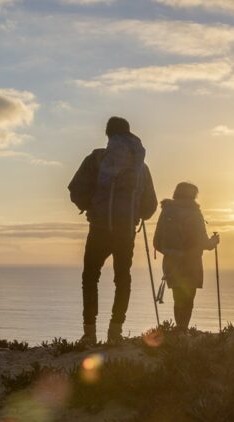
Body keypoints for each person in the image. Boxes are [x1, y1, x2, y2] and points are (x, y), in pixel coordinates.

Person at [68, 117, 157, 345]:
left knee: (90, 277)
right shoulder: (141, 168)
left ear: (108, 134)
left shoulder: (97, 158)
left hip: (99, 228)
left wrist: (90, 207)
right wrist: (136, 213)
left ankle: (89, 333)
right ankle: (115, 333)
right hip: (125, 230)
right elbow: (151, 206)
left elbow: (75, 189)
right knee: (122, 279)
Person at [152, 182, 219, 332]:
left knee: (178, 298)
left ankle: (179, 329)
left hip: (172, 264)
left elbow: (156, 242)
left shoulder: (167, 211)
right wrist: (214, 242)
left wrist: (172, 253)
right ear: (193, 195)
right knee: (188, 299)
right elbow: (204, 243)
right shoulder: (195, 213)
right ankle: (183, 330)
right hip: (192, 264)